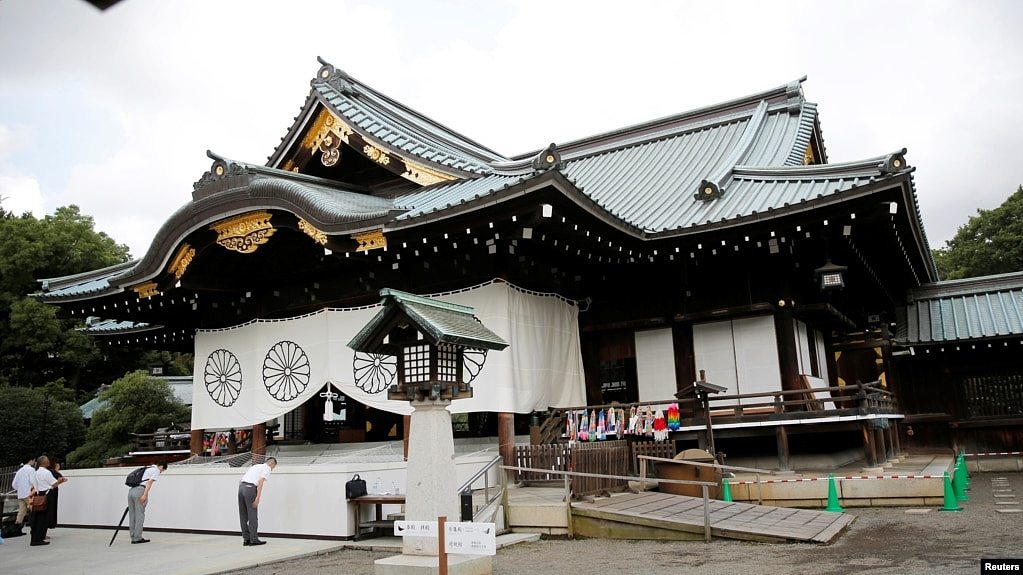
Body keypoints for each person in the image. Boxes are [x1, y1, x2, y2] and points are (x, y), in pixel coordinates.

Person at [238, 457, 277, 546]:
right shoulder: (267, 468)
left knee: (243, 515)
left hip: (241, 488)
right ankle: (254, 539)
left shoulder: (255, 467)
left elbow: (240, 480)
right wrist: (257, 498)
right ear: (272, 464)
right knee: (252, 516)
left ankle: (246, 539)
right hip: (250, 489)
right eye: (273, 468)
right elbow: (260, 482)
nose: (272, 469)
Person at [127, 462, 167, 544]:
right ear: (161, 466)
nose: (161, 472)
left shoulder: (146, 468)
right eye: (163, 470)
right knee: (139, 515)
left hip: (131, 491)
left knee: (132, 515)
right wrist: (144, 495)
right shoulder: (156, 471)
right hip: (140, 491)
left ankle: (133, 536)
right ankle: (137, 538)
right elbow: (149, 482)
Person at [29, 455, 64, 546]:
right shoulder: (46, 472)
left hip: (38, 495)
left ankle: (35, 537)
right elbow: (54, 483)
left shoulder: (35, 472)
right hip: (47, 495)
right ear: (44, 462)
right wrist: (60, 480)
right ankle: (39, 538)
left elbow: (34, 485)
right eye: (47, 460)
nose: (49, 462)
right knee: (43, 518)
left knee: (37, 517)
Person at [12, 455, 35, 530]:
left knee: (21, 512)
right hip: (29, 494)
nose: (34, 462)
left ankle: (16, 529)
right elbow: (33, 482)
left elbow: (14, 484)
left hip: (20, 494)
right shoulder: (31, 470)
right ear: (30, 460)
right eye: (34, 460)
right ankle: (35, 530)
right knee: (34, 512)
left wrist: (20, 488)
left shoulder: (19, 471)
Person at [47, 461, 66, 529]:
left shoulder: (45, 471)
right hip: (51, 493)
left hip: (43, 493)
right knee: (50, 511)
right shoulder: (53, 472)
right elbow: (61, 480)